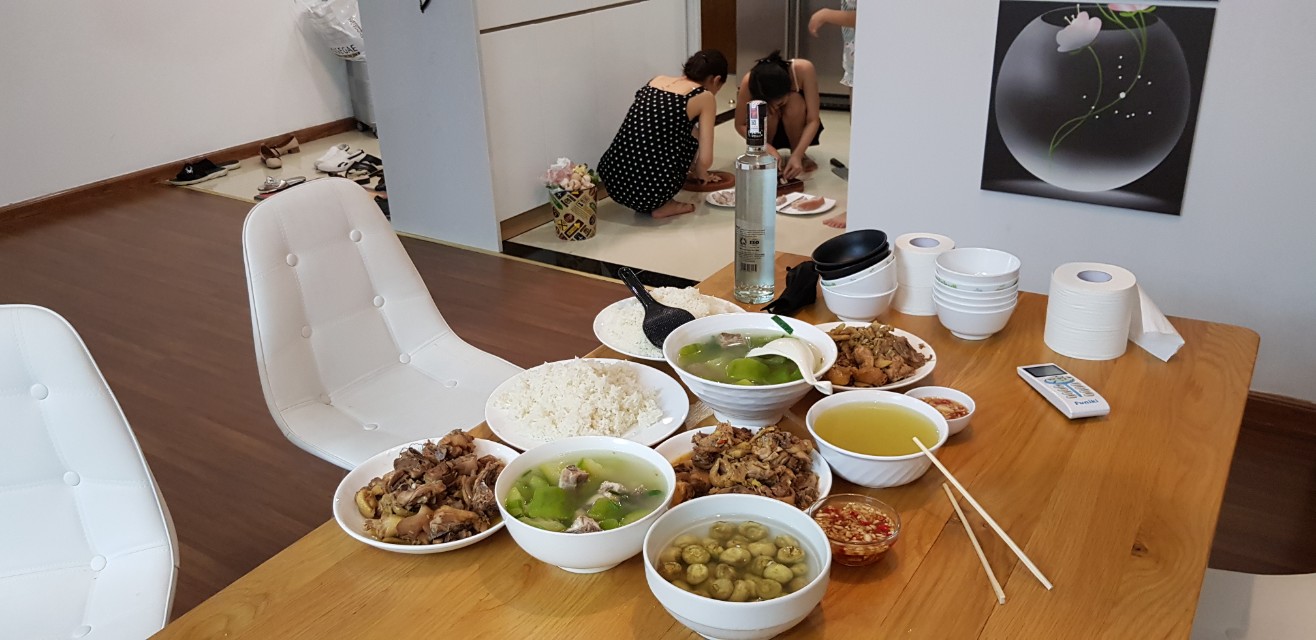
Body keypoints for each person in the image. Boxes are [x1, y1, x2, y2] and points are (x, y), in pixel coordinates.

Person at [598, 50, 728, 219]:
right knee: (690, 139)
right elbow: (705, 159)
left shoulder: (657, 80)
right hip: (652, 191)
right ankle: (664, 204)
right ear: (716, 80)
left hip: (612, 179)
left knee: (687, 132)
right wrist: (701, 172)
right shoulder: (704, 96)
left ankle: (653, 198)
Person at [734, 51, 823, 182]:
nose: (776, 108)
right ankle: (764, 156)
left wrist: (797, 155)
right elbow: (740, 124)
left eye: (780, 103)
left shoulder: (804, 69)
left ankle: (798, 152)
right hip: (767, 131)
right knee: (764, 109)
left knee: (795, 102)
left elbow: (813, 120)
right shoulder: (749, 81)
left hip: (797, 125)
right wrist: (765, 147)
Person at [810, 1, 858, 228]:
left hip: (871, 63)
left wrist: (826, 14)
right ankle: (861, 202)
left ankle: (859, 207)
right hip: (856, 64)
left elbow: (869, 17)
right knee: (859, 133)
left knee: (865, 139)